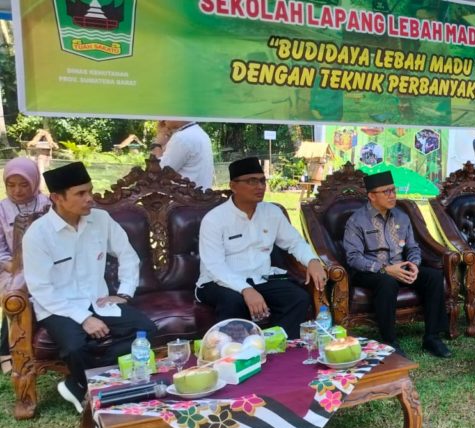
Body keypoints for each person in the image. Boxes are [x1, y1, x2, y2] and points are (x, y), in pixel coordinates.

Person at [22, 162, 157, 413]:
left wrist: (125, 293)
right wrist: (84, 318)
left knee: (146, 330)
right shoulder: (37, 235)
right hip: (58, 307)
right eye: (80, 194)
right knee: (74, 346)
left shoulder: (101, 220)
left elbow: (128, 255)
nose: (89, 199)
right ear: (56, 198)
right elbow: (41, 289)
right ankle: (96, 388)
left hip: (99, 300)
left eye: (90, 191)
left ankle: (79, 381)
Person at [196, 157, 327, 339]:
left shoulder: (271, 212)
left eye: (262, 180)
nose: (260, 186)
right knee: (233, 301)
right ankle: (234, 354)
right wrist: (245, 289)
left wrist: (312, 260)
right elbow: (215, 266)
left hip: (260, 278)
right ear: (233, 186)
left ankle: (276, 346)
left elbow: (294, 242)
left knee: (298, 298)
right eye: (252, 181)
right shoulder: (214, 219)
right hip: (218, 282)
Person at [343, 171, 451, 358]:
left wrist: (414, 264)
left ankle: (432, 337)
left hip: (400, 266)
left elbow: (413, 247)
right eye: (386, 192)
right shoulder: (357, 221)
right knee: (387, 282)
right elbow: (353, 258)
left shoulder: (402, 217)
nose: (392, 195)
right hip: (370, 270)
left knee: (433, 277)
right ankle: (390, 341)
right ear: (372, 196)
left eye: (393, 190)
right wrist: (384, 269)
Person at [0, 157, 51, 374]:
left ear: (34, 182)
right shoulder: (2, 209)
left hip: (47, 265)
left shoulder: (48, 204)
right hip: (13, 266)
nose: (17, 191)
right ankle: (7, 352)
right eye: (11, 185)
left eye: (23, 184)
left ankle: (30, 347)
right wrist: (12, 265)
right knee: (14, 295)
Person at [157, 120, 214, 189]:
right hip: (199, 196)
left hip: (184, 198)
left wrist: (157, 144)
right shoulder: (199, 132)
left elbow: (158, 172)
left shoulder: (181, 138)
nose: (161, 120)